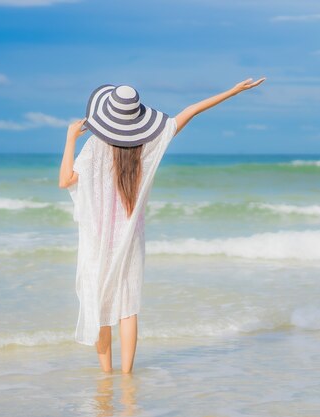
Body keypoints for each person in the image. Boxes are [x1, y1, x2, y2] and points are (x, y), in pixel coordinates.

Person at [59, 77, 265, 373]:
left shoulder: (94, 147)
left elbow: (65, 181)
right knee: (127, 308)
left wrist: (69, 139)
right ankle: (127, 376)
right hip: (130, 237)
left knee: (99, 304)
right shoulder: (149, 144)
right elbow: (190, 111)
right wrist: (233, 91)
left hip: (97, 239)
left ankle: (107, 376)